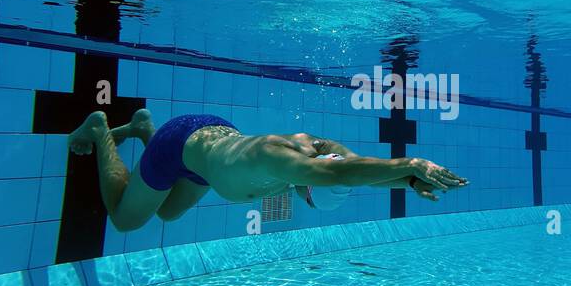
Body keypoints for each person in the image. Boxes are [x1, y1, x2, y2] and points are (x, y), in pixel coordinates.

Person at [67, 109, 467, 232]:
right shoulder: (283, 159)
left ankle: (141, 128)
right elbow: (339, 176)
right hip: (180, 144)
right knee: (125, 220)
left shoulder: (318, 152)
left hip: (205, 156)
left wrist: (408, 181)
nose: (302, 199)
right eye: (308, 196)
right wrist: (412, 163)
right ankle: (102, 129)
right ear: (309, 185)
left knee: (168, 211)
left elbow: (350, 170)